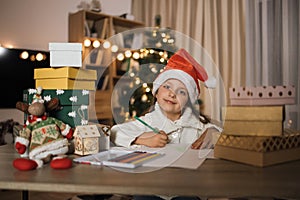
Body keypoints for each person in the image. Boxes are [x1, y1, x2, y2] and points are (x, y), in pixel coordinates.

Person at [111, 48, 222, 151]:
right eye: (167, 87)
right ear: (156, 92)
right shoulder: (148, 121)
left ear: (188, 101)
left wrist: (214, 133)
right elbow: (114, 132)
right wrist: (142, 139)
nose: (172, 94)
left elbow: (227, 136)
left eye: (181, 92)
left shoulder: (197, 125)